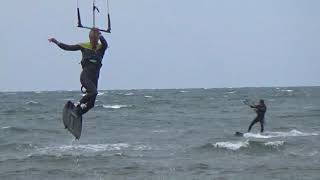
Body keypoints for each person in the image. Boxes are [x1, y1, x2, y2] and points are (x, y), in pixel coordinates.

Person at [48, 28, 108, 115]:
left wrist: (100, 35)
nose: (93, 41)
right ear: (89, 38)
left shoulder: (101, 48)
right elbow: (67, 47)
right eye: (92, 39)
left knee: (91, 104)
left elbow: (105, 44)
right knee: (94, 92)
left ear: (98, 39)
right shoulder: (84, 46)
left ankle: (78, 113)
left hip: (95, 77)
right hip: (86, 76)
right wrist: (55, 41)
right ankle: (77, 105)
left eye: (95, 39)